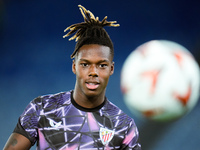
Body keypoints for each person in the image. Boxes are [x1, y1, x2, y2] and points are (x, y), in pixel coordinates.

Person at [4, 5, 142, 150]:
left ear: (111, 69)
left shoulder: (124, 126)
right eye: (85, 64)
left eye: (102, 65)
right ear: (74, 67)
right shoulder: (42, 109)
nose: (93, 72)